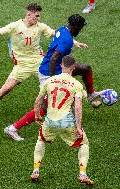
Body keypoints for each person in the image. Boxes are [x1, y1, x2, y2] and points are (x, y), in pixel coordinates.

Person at [4, 14, 106, 141]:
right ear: (75, 26)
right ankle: (12, 128)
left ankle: (91, 95)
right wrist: (53, 80)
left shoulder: (62, 29)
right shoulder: (67, 41)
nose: (80, 30)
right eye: (79, 28)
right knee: (45, 107)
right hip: (48, 72)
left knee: (85, 69)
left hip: (58, 68)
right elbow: (53, 58)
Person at [0, 3, 87, 123]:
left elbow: (59, 35)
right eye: (36, 16)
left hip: (39, 62)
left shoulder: (40, 26)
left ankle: (68, 108)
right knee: (7, 88)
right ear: (28, 14)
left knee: (57, 86)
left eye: (39, 16)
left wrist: (75, 42)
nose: (38, 18)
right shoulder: (15, 26)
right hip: (22, 65)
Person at [30, 55, 94, 186]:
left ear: (61, 65)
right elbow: (78, 107)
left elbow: (38, 100)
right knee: (84, 144)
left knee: (41, 140)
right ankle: (82, 174)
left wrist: (37, 115)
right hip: (67, 122)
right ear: (74, 67)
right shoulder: (77, 85)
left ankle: (36, 170)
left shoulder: (50, 80)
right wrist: (78, 127)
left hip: (50, 121)